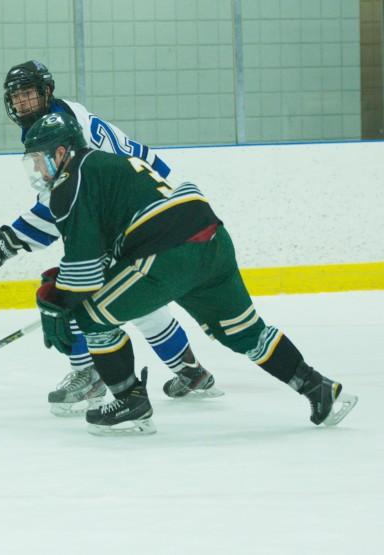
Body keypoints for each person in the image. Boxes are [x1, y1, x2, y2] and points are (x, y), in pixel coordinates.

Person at [23, 111, 358, 435]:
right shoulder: (108, 165)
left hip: (169, 252)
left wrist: (59, 302)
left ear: (62, 152)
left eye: (39, 158)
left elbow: (84, 272)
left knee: (93, 317)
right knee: (246, 332)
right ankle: (318, 388)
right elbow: (106, 254)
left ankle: (129, 403)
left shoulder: (71, 182)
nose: (37, 167)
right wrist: (65, 290)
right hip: (210, 240)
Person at [0, 60, 218, 415]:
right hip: (142, 203)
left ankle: (89, 373)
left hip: (141, 207)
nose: (22, 103)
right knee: (136, 299)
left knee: (77, 291)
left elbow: (63, 201)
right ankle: (190, 371)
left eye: (29, 94)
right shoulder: (54, 120)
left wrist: (6, 241)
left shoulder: (65, 129)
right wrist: (8, 239)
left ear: (47, 92)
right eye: (17, 96)